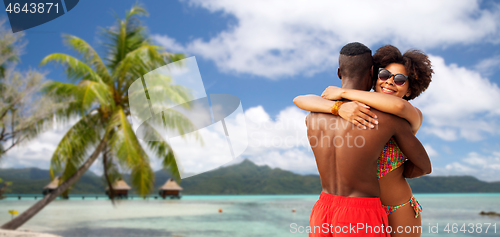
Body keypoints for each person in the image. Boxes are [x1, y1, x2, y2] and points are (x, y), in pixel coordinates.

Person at [294, 44, 433, 237]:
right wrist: (338, 107)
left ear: (410, 90)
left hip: (397, 205)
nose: (390, 82)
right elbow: (302, 100)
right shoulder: (358, 110)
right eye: (384, 75)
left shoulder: (409, 116)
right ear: (374, 76)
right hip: (363, 207)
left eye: (400, 80)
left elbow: (399, 107)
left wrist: (343, 93)